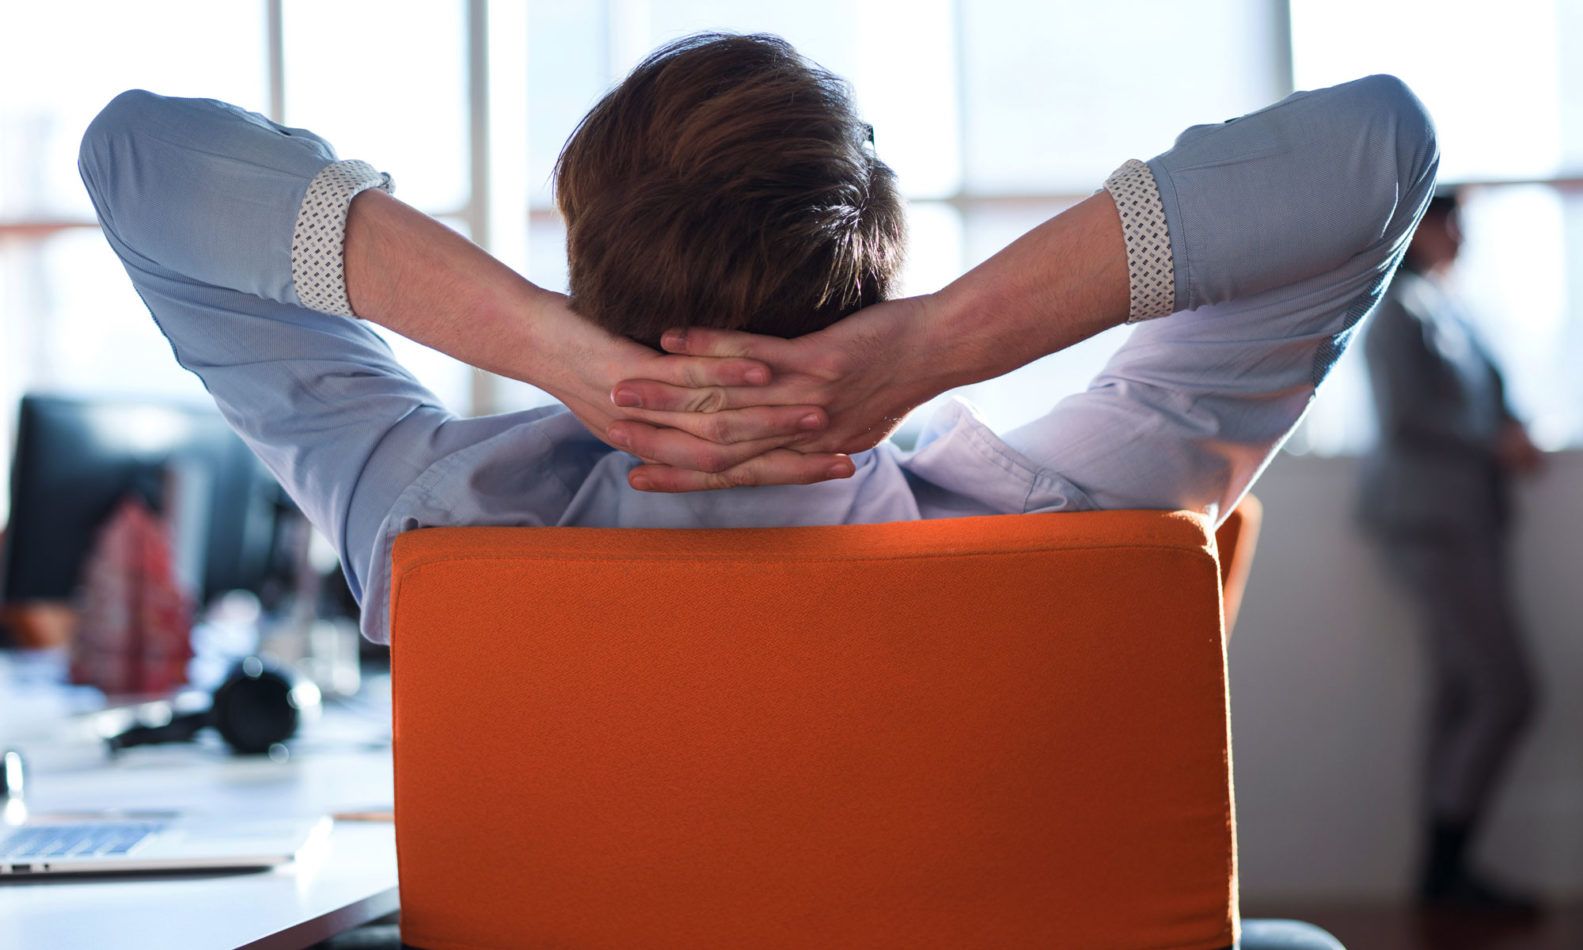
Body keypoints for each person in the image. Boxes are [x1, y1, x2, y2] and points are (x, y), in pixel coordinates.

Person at [77, 33, 1436, 653]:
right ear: (876, 272)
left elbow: (136, 156)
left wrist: (555, 355)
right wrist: (942, 343)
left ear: (581, 266)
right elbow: (1373, 147)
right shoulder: (1080, 521)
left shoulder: (429, 520)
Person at [1358, 191, 1542, 912]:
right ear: (1419, 229)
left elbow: (1482, 397)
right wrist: (1493, 441)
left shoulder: (1447, 307)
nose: (1460, 237)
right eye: (1448, 222)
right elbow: (1408, 416)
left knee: (1460, 691)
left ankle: (1442, 872)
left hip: (1467, 518)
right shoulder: (1396, 311)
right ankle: (1445, 864)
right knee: (1506, 688)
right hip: (1430, 521)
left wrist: (1511, 426)